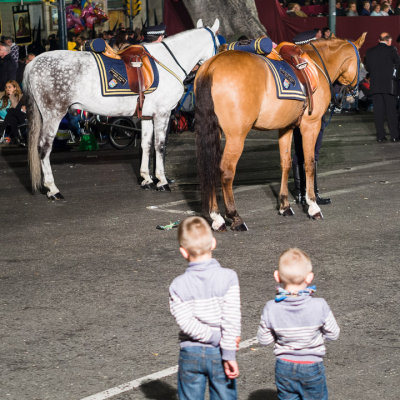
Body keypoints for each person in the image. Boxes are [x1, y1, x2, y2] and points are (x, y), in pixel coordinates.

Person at [169, 216, 241, 400]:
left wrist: (211, 337)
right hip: (220, 351)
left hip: (190, 352)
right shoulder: (229, 278)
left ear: (183, 252)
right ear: (213, 243)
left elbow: (185, 323)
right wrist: (227, 348)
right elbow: (231, 318)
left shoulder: (178, 285)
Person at [257, 248, 340, 400]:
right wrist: (317, 338)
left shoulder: (271, 307)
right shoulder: (320, 305)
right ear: (309, 277)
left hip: (284, 367)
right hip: (312, 365)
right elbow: (333, 334)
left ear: (277, 276)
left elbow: (264, 340)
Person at [292, 30, 331, 205]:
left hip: (298, 114)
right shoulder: (307, 66)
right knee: (310, 153)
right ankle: (309, 191)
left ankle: (302, 192)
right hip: (309, 116)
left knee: (301, 153)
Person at [365, 32, 400, 142]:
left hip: (375, 86)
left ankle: (380, 136)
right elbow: (398, 65)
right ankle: (394, 136)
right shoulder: (392, 50)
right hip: (389, 86)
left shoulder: (369, 52)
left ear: (378, 40)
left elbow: (368, 68)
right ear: (389, 40)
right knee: (391, 112)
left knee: (378, 113)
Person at [0, 80, 25, 145]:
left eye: (9, 87)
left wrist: (12, 96)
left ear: (15, 88)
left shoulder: (20, 96)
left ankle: (1, 131)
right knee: (12, 118)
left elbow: (17, 109)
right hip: (11, 118)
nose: (7, 89)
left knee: (11, 110)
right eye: (6, 87)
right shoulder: (4, 97)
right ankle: (18, 139)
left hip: (21, 117)